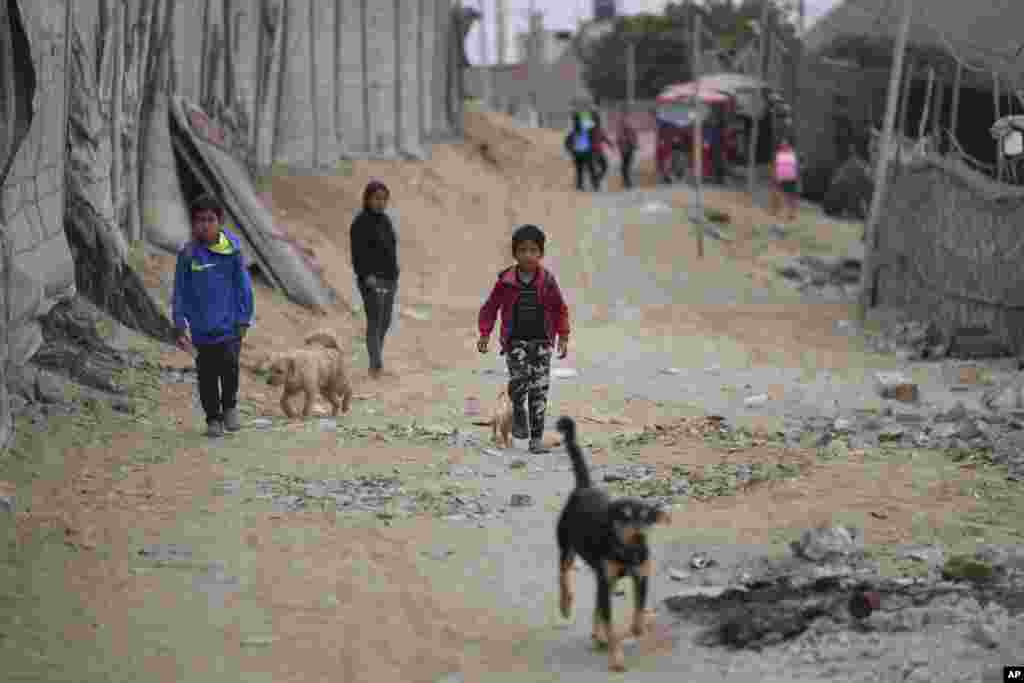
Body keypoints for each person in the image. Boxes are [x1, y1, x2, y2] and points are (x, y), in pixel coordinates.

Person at [477, 224, 570, 454]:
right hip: (515, 342)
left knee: (539, 389)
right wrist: (485, 332)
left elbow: (560, 308)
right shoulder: (505, 281)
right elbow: (490, 307)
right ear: (514, 253)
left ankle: (536, 439)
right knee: (519, 380)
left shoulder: (547, 281)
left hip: (541, 343)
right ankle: (519, 410)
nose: (528, 255)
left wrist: (564, 336)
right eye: (522, 250)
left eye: (533, 250)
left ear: (541, 254)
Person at [172, 193, 254, 438]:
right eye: (199, 220)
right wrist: (179, 321)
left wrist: (244, 318)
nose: (205, 225)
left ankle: (229, 406)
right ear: (193, 223)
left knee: (229, 366)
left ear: (219, 222)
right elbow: (180, 290)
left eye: (210, 219)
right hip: (201, 329)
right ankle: (213, 418)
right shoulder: (188, 255)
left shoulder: (233, 252)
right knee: (207, 375)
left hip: (230, 326)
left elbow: (243, 287)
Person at [350, 180, 399, 379]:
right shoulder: (360, 223)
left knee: (385, 321)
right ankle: (375, 365)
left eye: (383, 199)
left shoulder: (386, 221)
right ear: (367, 199)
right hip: (371, 280)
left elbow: (391, 249)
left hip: (389, 279)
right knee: (375, 320)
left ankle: (376, 358)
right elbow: (357, 254)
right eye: (376, 198)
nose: (380, 202)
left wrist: (395, 273)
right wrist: (366, 275)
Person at [564, 113, 599, 192]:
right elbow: (594, 124)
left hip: (578, 152)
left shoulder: (575, 129)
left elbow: (567, 141)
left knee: (580, 170)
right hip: (585, 151)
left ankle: (580, 186)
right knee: (590, 169)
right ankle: (595, 185)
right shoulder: (584, 126)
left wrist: (570, 150)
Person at [772, 136, 800, 222]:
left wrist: (798, 178)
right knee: (779, 195)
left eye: (785, 144)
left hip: (791, 178)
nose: (783, 145)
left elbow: (796, 167)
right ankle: (778, 211)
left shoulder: (793, 154)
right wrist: (775, 176)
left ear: (789, 145)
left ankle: (792, 213)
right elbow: (776, 166)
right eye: (782, 144)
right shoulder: (778, 154)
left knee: (791, 197)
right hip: (781, 179)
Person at [617, 113, 638, 189]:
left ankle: (626, 181)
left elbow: (633, 135)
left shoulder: (627, 125)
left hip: (628, 147)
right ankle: (627, 182)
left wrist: (635, 144)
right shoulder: (623, 126)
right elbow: (621, 137)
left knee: (626, 165)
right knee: (626, 165)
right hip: (626, 148)